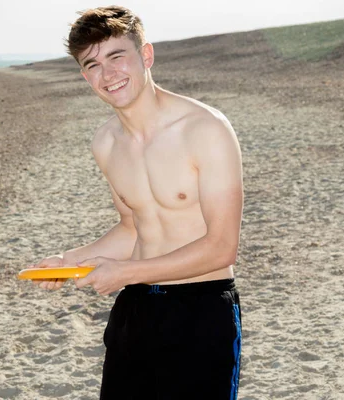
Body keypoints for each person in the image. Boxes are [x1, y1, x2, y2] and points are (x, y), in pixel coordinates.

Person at [29, 5, 244, 399]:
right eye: (92, 64)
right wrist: (70, 260)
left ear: (145, 55)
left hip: (202, 311)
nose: (108, 74)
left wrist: (126, 272)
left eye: (116, 57)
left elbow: (222, 246)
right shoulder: (106, 143)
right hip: (136, 312)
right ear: (84, 76)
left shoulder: (205, 129)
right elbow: (133, 229)